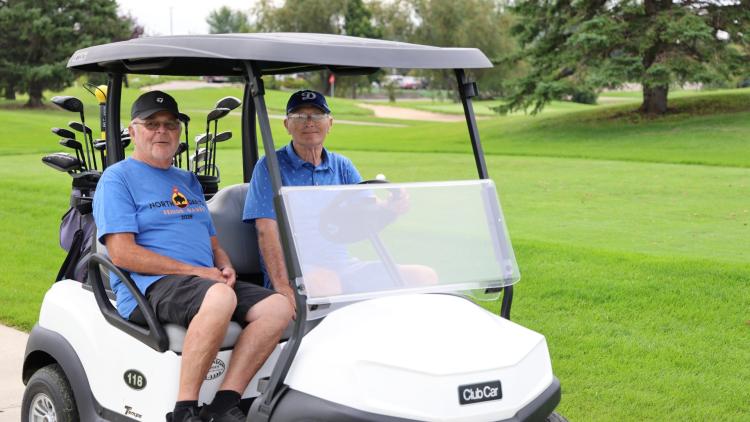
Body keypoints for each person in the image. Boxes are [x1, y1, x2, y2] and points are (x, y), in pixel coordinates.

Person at [93, 91, 293, 422]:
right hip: (150, 285)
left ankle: (222, 405)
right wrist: (198, 272)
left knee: (279, 307)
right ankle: (184, 410)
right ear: (132, 131)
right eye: (152, 124)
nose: (162, 131)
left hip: (200, 280)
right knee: (218, 297)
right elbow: (122, 253)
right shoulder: (118, 178)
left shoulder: (187, 180)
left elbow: (211, 242)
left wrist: (224, 265)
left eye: (170, 125)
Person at [243, 90, 436, 306]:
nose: (309, 123)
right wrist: (281, 285)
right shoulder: (270, 166)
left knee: (424, 277)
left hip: (343, 265)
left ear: (330, 123)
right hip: (295, 270)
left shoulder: (342, 166)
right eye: (299, 116)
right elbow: (266, 230)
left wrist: (391, 207)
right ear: (287, 125)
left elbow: (367, 210)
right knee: (328, 284)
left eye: (317, 116)